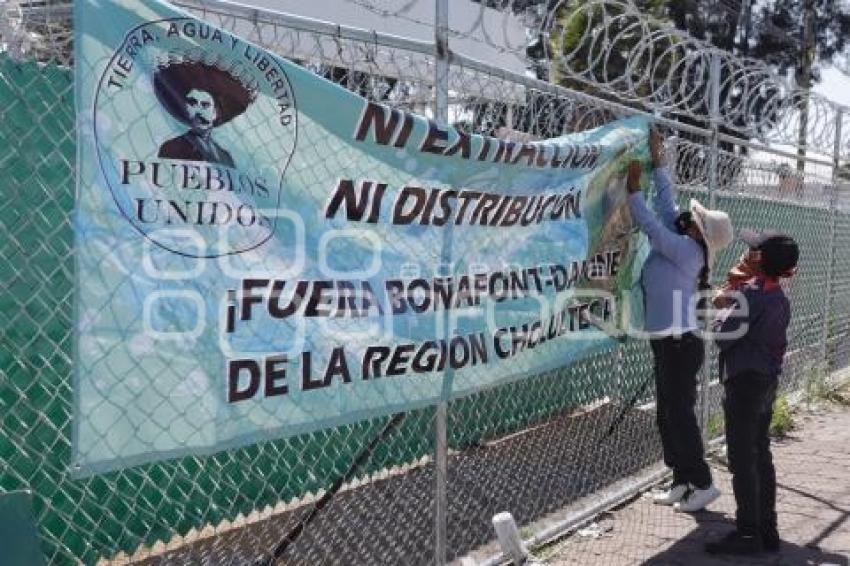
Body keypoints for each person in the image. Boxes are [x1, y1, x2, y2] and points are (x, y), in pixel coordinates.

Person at [625, 129, 734, 513]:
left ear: (698, 232)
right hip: (667, 340)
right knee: (667, 414)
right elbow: (668, 205)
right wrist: (658, 166)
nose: (689, 216)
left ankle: (702, 483)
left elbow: (652, 226)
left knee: (680, 416)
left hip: (678, 342)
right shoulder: (685, 236)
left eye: (695, 218)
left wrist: (632, 191)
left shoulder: (688, 251)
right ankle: (681, 479)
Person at [705, 231, 799, 555]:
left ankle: (748, 533)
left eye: (752, 252)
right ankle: (766, 528)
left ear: (759, 260)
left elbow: (721, 335)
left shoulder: (754, 296)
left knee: (743, 459)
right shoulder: (776, 296)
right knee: (761, 453)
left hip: (745, 382)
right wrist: (735, 292)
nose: (745, 255)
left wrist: (725, 300)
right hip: (766, 381)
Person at [153, 61, 257, 167]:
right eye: (192, 103)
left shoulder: (225, 157)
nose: (198, 111)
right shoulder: (172, 147)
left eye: (205, 105)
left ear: (215, 113)